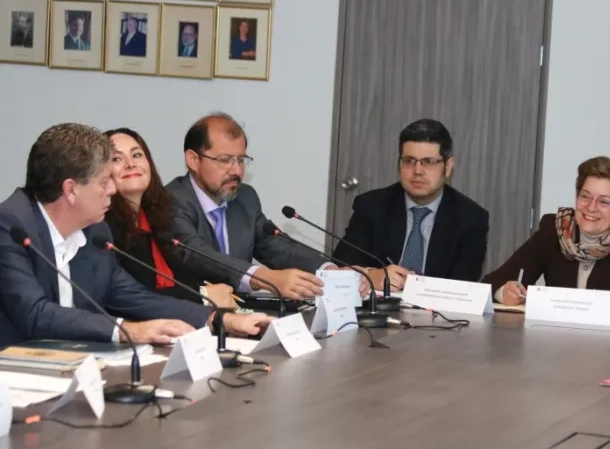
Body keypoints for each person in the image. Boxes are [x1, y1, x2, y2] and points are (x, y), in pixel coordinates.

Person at [0, 123, 272, 346]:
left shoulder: (95, 230)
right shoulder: (10, 227)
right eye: (105, 181)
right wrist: (127, 330)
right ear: (71, 190)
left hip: (74, 365)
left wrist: (219, 319)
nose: (112, 190)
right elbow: (34, 313)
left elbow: (130, 295)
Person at [167, 113, 368, 301]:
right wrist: (264, 277)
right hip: (189, 312)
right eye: (225, 160)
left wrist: (329, 271)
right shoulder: (170, 200)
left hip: (240, 313)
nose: (236, 170)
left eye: (241, 160)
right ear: (193, 160)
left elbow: (276, 247)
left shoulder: (245, 197)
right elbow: (196, 254)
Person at [482, 156, 610, 306]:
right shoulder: (556, 230)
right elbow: (491, 282)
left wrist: (595, 302)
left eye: (604, 202)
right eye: (585, 197)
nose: (591, 207)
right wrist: (504, 292)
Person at [333, 118, 489, 291]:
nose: (417, 171)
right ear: (399, 164)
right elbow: (339, 268)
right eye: (409, 160)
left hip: (436, 313)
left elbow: (463, 286)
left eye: (429, 162)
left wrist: (415, 285)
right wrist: (371, 275)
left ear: (448, 166)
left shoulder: (471, 218)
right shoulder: (372, 206)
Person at [104, 128, 238, 308]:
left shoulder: (158, 218)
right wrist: (202, 295)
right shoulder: (102, 228)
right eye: (117, 159)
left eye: (136, 155)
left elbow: (182, 280)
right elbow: (127, 297)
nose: (130, 164)